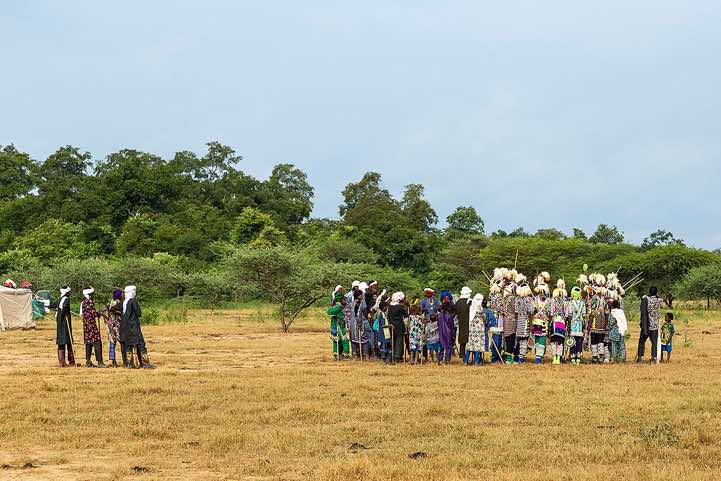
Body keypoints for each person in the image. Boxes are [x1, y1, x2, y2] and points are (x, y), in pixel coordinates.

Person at [121, 285, 154, 369]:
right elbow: (139, 313)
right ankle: (145, 363)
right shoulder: (132, 301)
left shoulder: (124, 302)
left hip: (125, 327)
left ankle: (130, 364)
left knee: (128, 345)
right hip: (133, 326)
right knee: (141, 343)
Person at [80, 287, 106, 368]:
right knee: (97, 342)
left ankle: (88, 361)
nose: (93, 295)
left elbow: (83, 314)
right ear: (89, 294)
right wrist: (99, 313)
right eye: (92, 294)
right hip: (91, 326)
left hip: (86, 326)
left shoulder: (83, 302)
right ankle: (100, 362)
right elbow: (92, 313)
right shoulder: (89, 302)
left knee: (88, 343)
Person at [637, 286, 663, 363]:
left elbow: (644, 298)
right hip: (655, 325)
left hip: (647, 324)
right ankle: (653, 358)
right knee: (654, 342)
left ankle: (640, 357)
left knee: (642, 341)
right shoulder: (659, 300)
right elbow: (660, 298)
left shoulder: (646, 299)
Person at [531, 276, 551, 365]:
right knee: (537, 339)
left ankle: (539, 357)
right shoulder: (534, 299)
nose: (542, 294)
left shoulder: (548, 301)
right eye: (540, 292)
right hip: (536, 322)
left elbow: (549, 312)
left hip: (544, 322)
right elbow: (531, 311)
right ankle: (538, 356)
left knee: (542, 339)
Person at [54, 286, 75, 367]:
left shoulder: (60, 299)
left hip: (60, 323)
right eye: (69, 292)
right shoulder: (66, 299)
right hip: (64, 323)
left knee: (62, 341)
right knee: (66, 341)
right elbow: (64, 307)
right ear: (67, 292)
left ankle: (63, 362)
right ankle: (66, 362)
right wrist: (64, 314)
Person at [513, 278, 534, 363]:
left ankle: (519, 357)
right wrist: (531, 323)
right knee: (524, 339)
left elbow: (516, 311)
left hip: (519, 321)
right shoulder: (529, 299)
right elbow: (531, 312)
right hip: (525, 320)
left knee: (519, 340)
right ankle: (521, 357)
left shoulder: (517, 299)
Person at [566, 287, 587, 365]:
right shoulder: (582, 303)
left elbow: (569, 315)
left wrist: (568, 326)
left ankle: (572, 358)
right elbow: (584, 315)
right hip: (580, 325)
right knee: (579, 342)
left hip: (573, 324)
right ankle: (578, 358)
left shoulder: (571, 303)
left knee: (572, 341)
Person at [549, 279, 568, 365]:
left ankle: (554, 357)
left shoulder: (553, 301)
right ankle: (559, 358)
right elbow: (567, 314)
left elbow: (552, 312)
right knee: (560, 340)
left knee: (554, 340)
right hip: (562, 322)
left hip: (554, 322)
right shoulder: (565, 302)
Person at [465, 293, 486, 365]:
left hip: (471, 327)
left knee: (470, 344)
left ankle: (466, 361)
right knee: (477, 345)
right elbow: (484, 317)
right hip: (479, 328)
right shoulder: (479, 307)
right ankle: (477, 361)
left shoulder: (471, 306)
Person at [327, 292, 350, 359]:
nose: (345, 301)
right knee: (343, 340)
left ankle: (337, 354)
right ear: (340, 300)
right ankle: (345, 354)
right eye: (343, 299)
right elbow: (329, 312)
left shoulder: (340, 306)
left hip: (341, 324)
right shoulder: (338, 306)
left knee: (338, 340)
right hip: (338, 325)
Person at [105, 289, 123, 368]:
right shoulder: (119, 303)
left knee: (112, 343)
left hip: (110, 325)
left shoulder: (109, 302)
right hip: (117, 325)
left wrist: (107, 320)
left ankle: (113, 361)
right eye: (121, 294)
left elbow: (104, 311)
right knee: (122, 341)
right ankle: (126, 360)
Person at [387, 291, 407, 362]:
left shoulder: (389, 307)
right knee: (399, 342)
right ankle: (397, 357)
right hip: (399, 326)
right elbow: (406, 315)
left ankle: (392, 356)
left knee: (393, 341)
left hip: (391, 326)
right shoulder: (399, 307)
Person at [437, 290, 456, 364]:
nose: (446, 299)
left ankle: (441, 360)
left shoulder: (440, 315)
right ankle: (446, 359)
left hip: (442, 332)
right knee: (448, 345)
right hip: (448, 332)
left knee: (442, 345)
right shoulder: (448, 316)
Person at [608, 299, 628, 363]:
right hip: (622, 331)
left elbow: (610, 323)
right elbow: (624, 321)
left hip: (614, 331)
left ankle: (613, 358)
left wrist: (609, 328)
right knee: (622, 345)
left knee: (614, 345)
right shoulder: (621, 312)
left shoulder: (612, 312)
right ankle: (622, 358)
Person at [483, 298, 502, 363]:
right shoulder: (488, 311)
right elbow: (493, 320)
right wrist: (489, 326)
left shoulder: (474, 310)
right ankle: (491, 358)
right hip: (488, 329)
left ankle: (479, 359)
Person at [455, 286, 472, 360]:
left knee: (462, 338)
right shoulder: (470, 302)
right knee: (470, 338)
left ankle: (462, 353)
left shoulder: (458, 302)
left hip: (461, 321)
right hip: (469, 321)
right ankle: (469, 354)